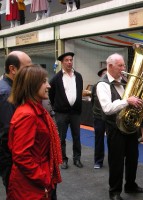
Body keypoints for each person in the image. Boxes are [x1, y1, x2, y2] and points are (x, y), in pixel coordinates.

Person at [7, 64, 62, 199]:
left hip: (34, 180)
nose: (48, 86)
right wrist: (44, 178)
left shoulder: (35, 110)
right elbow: (21, 156)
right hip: (30, 186)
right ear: (32, 85)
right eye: (44, 82)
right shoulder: (28, 115)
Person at [97, 53, 143, 200]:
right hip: (115, 129)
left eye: (124, 65)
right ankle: (114, 191)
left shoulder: (125, 81)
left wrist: (139, 104)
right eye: (121, 65)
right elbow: (107, 108)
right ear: (110, 66)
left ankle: (130, 185)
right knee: (116, 161)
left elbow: (131, 103)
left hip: (130, 127)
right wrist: (127, 101)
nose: (124, 68)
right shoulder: (103, 84)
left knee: (133, 158)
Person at [0, 51, 32, 194]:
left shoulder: (11, 89)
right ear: (13, 69)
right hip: (11, 161)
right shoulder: (7, 94)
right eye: (27, 69)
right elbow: (8, 135)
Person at [49, 52, 83, 169]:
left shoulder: (78, 76)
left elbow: (79, 92)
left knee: (77, 136)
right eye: (67, 60)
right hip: (61, 113)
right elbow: (51, 95)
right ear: (62, 62)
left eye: (71, 60)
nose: (69, 62)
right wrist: (55, 108)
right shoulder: (55, 79)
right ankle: (63, 159)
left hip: (75, 113)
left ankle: (77, 158)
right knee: (61, 138)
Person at [91, 66, 107, 169]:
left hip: (111, 117)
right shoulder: (96, 86)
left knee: (114, 140)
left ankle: (115, 160)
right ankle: (98, 161)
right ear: (101, 75)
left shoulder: (113, 86)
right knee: (99, 139)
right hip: (99, 117)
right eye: (104, 74)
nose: (106, 76)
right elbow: (93, 101)